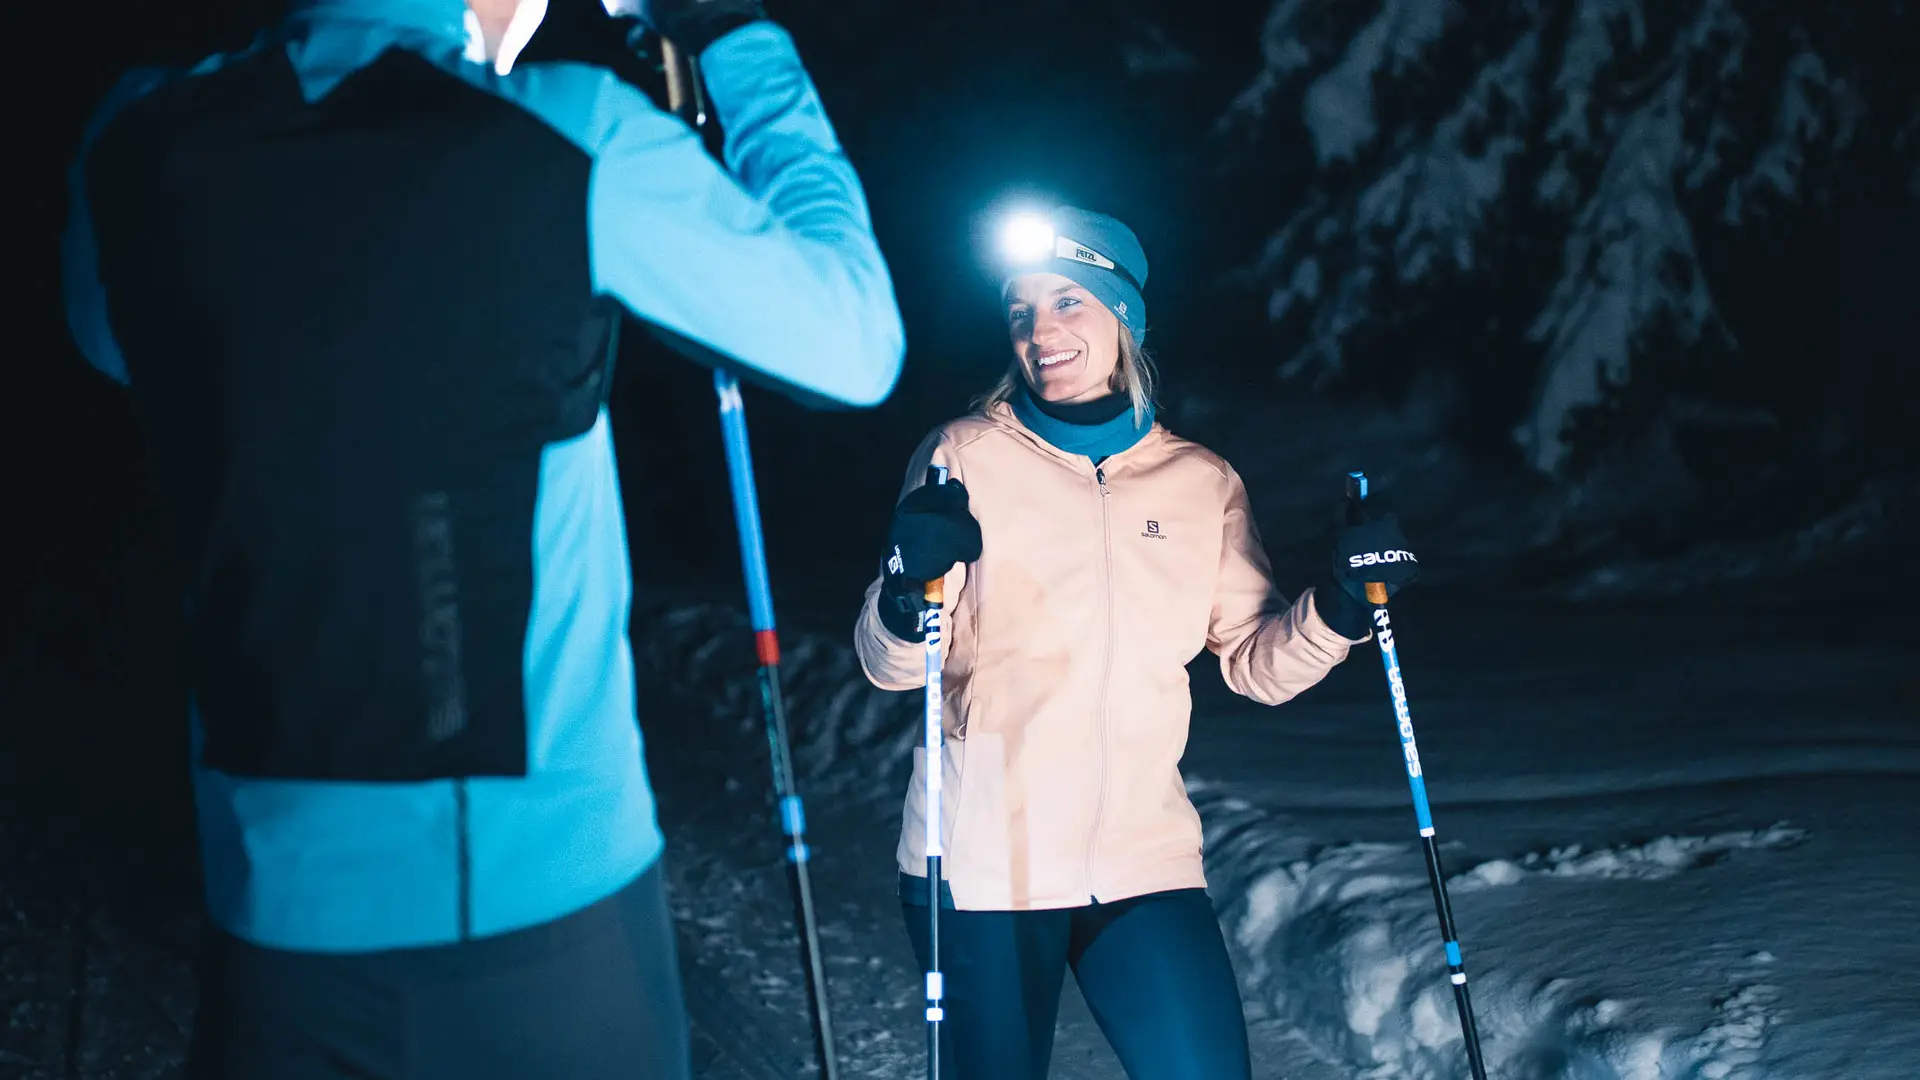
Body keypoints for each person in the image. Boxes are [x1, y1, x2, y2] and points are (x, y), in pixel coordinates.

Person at [59, 0, 904, 1077]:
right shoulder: (568, 132)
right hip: (544, 927)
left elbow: (110, 336)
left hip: (273, 923)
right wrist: (734, 36)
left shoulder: (139, 136)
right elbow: (854, 337)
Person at [852, 206, 1420, 1078]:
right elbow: (893, 666)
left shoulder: (1198, 482)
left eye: (1068, 302)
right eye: (1020, 312)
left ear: (1123, 317)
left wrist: (1342, 604)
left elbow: (1256, 665)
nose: (1040, 332)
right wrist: (904, 585)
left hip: (1143, 859)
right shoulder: (962, 457)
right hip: (984, 864)